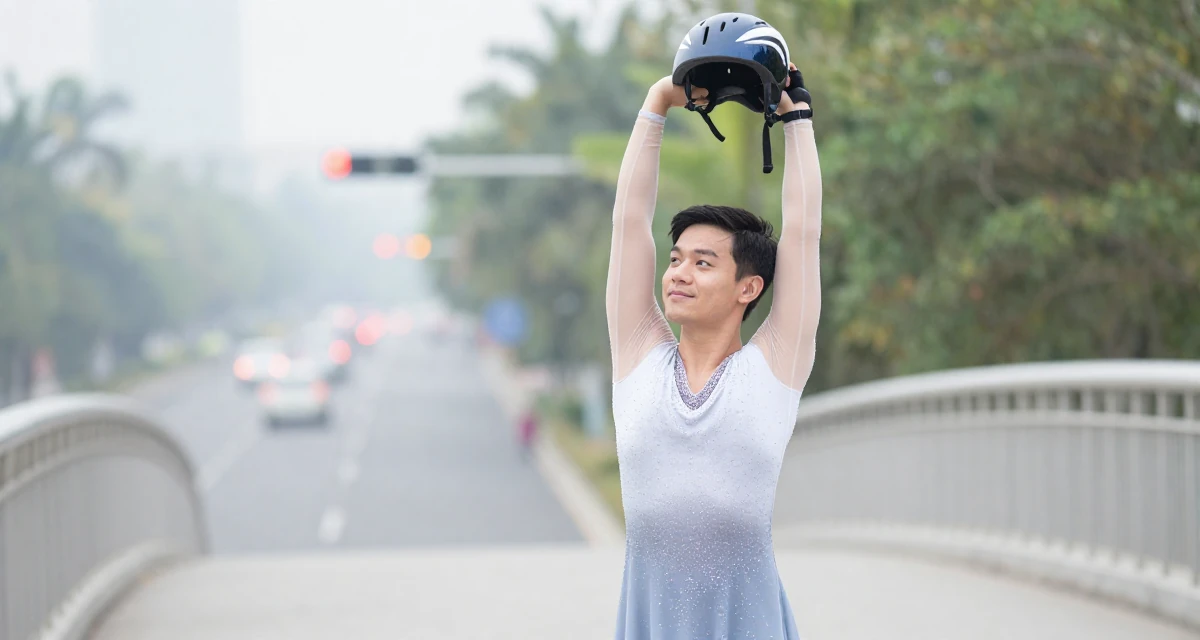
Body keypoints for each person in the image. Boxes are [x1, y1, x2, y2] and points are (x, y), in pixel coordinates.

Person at [606, 14, 821, 639]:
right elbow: (628, 222)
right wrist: (657, 105)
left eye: (704, 263)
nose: (679, 273)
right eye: (676, 260)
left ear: (747, 288)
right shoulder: (637, 353)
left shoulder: (775, 365)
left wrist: (796, 121)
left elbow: (803, 234)